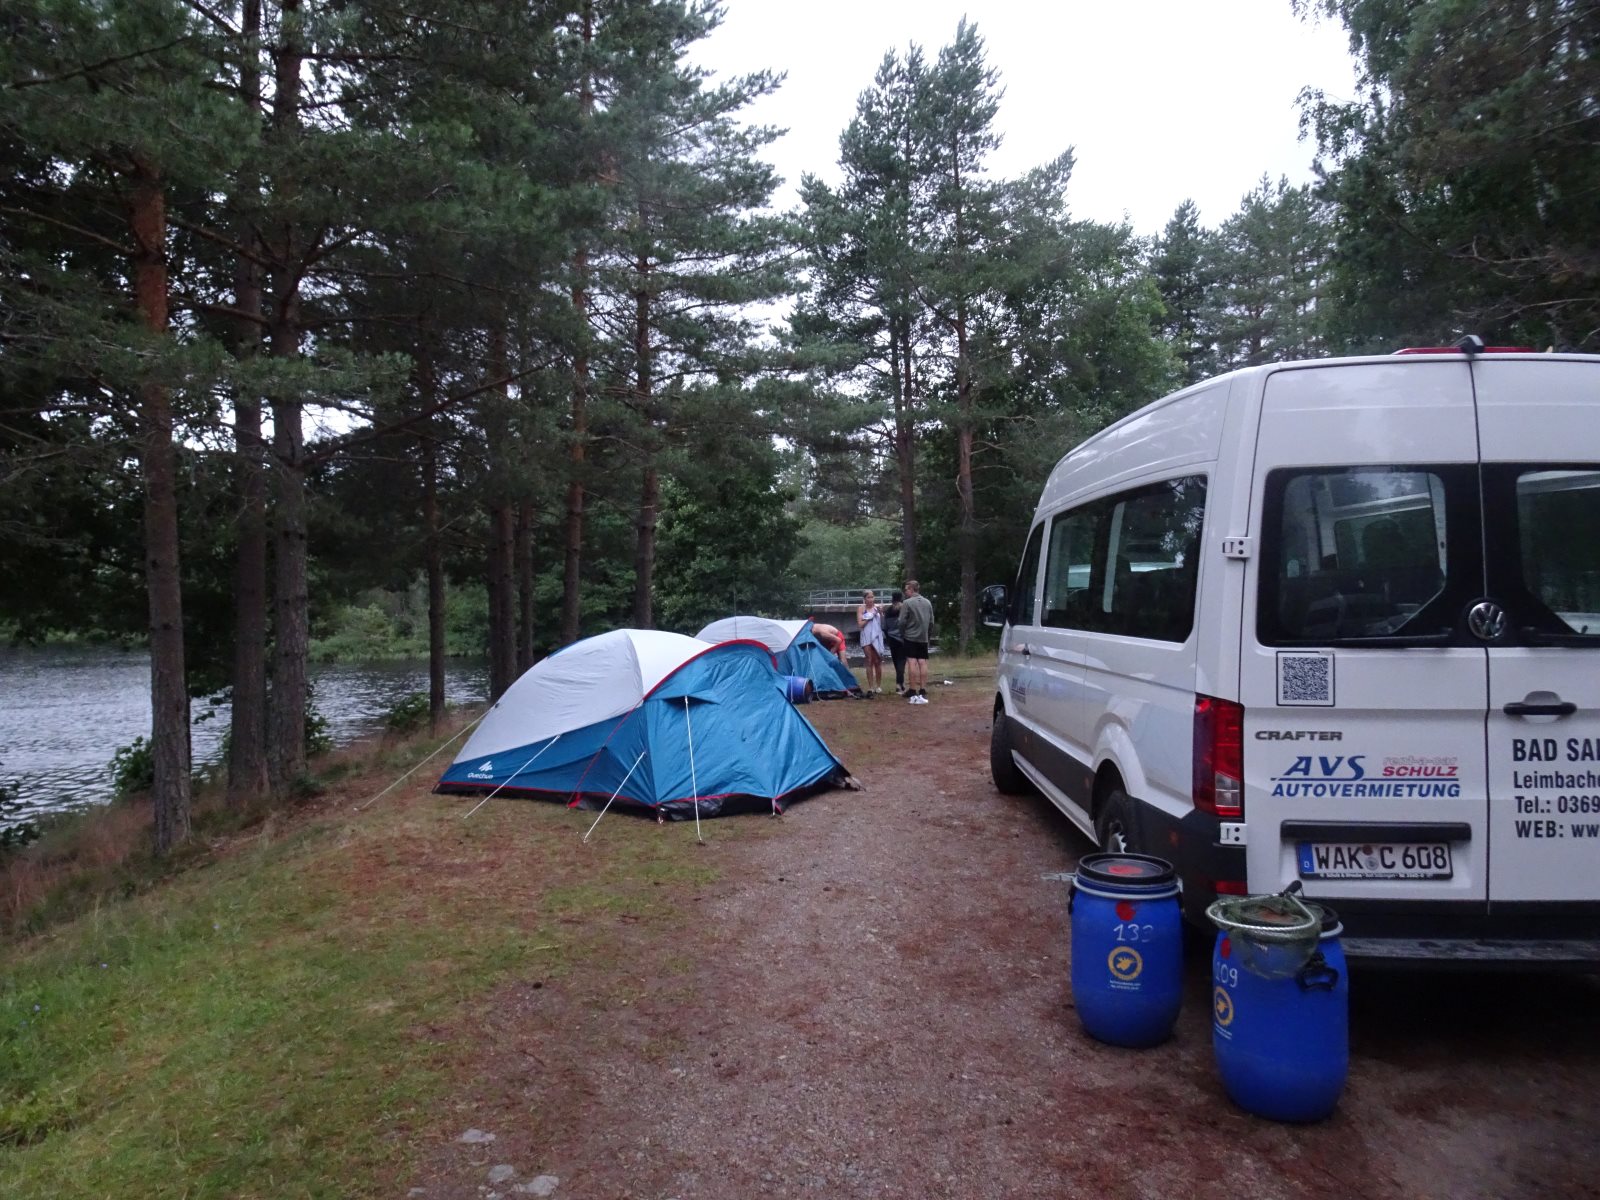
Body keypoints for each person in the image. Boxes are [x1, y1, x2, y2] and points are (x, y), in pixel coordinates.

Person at [898, 579, 934, 703]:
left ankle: (912, 689)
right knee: (922, 662)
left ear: (912, 589)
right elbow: (931, 621)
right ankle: (923, 689)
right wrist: (928, 634)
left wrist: (902, 633)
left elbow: (902, 621)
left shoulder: (907, 603)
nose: (905, 592)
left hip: (910, 636)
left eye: (906, 589)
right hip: (923, 637)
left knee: (912, 661)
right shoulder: (928, 602)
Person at [856, 590, 887, 694]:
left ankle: (878, 686)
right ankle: (871, 686)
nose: (871, 599)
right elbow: (860, 624)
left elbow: (883, 623)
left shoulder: (877, 608)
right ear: (864, 599)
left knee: (877, 661)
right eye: (868, 597)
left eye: (872, 597)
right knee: (869, 660)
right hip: (866, 636)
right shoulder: (861, 609)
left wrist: (881, 613)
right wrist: (870, 617)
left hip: (877, 636)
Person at [883, 590, 907, 695]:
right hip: (902, 639)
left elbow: (884, 626)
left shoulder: (888, 610)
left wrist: (888, 637)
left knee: (896, 661)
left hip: (892, 639)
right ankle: (900, 683)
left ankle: (900, 683)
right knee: (902, 661)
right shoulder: (904, 609)